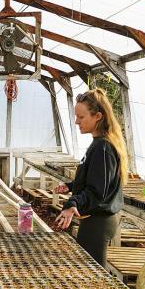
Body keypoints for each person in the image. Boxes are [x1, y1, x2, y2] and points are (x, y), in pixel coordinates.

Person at [54, 88, 127, 268]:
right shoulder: (98, 144)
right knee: (90, 269)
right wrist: (72, 186)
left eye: (81, 117)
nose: (77, 121)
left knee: (94, 274)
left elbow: (97, 191)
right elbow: (97, 179)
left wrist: (73, 204)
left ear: (98, 116)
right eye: (76, 116)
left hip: (99, 222)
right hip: (95, 219)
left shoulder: (102, 148)